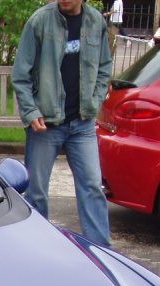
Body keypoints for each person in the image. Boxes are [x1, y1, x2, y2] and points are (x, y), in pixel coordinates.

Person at [12, 0, 112, 246]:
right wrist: (30, 110)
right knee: (36, 194)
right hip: (45, 126)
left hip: (83, 124)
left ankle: (101, 253)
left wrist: (95, 100)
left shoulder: (96, 21)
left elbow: (104, 67)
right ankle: (38, 249)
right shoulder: (39, 21)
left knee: (92, 188)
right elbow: (20, 74)